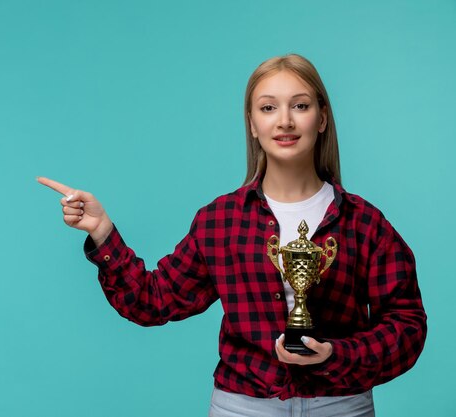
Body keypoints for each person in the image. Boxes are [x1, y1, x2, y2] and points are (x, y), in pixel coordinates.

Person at [37, 54, 427, 417]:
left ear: (322, 118)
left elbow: (407, 325)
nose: (285, 121)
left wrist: (336, 355)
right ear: (252, 124)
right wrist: (103, 232)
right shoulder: (220, 221)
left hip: (341, 405)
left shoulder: (364, 222)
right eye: (269, 107)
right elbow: (153, 302)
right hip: (244, 406)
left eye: (301, 105)